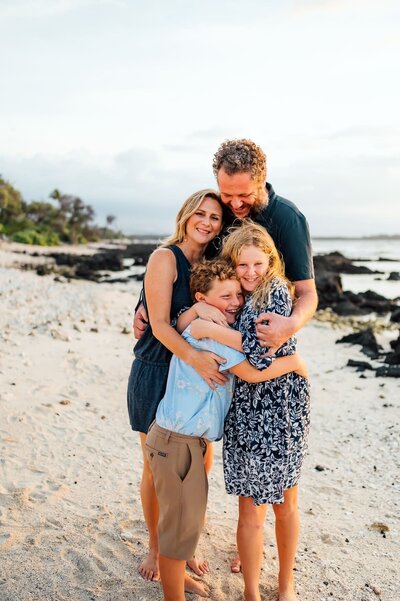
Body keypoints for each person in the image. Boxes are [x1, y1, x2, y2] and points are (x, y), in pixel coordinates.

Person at [147, 258, 308, 601]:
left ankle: (176, 582)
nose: (235, 302)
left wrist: (198, 317)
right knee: (179, 528)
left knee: (185, 525)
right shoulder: (212, 337)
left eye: (238, 295)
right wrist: (295, 363)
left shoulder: (201, 324)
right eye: (226, 296)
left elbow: (185, 321)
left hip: (186, 440)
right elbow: (251, 370)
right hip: (177, 442)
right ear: (203, 299)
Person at [189, 222, 311, 601]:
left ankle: (286, 585)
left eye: (258, 264)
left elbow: (259, 355)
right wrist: (196, 315)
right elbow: (193, 315)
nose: (250, 272)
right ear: (232, 264)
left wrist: (208, 330)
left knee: (284, 502)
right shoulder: (238, 294)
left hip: (280, 407)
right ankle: (251, 593)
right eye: (242, 265)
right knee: (248, 505)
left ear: (270, 261)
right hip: (244, 405)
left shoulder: (273, 291)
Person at [134, 137, 318, 362]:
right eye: (227, 195)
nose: (236, 204)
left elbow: (307, 293)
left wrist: (291, 325)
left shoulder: (288, 219)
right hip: (215, 341)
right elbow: (189, 261)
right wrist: (147, 300)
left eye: (244, 195)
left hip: (262, 343)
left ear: (262, 181)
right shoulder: (220, 211)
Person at [127, 189, 230, 587]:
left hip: (193, 381)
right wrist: (197, 356)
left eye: (215, 217)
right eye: (200, 213)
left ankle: (183, 544)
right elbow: (158, 324)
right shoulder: (163, 258)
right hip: (158, 371)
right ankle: (157, 547)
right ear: (186, 215)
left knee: (199, 466)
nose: (206, 222)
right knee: (158, 470)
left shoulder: (210, 264)